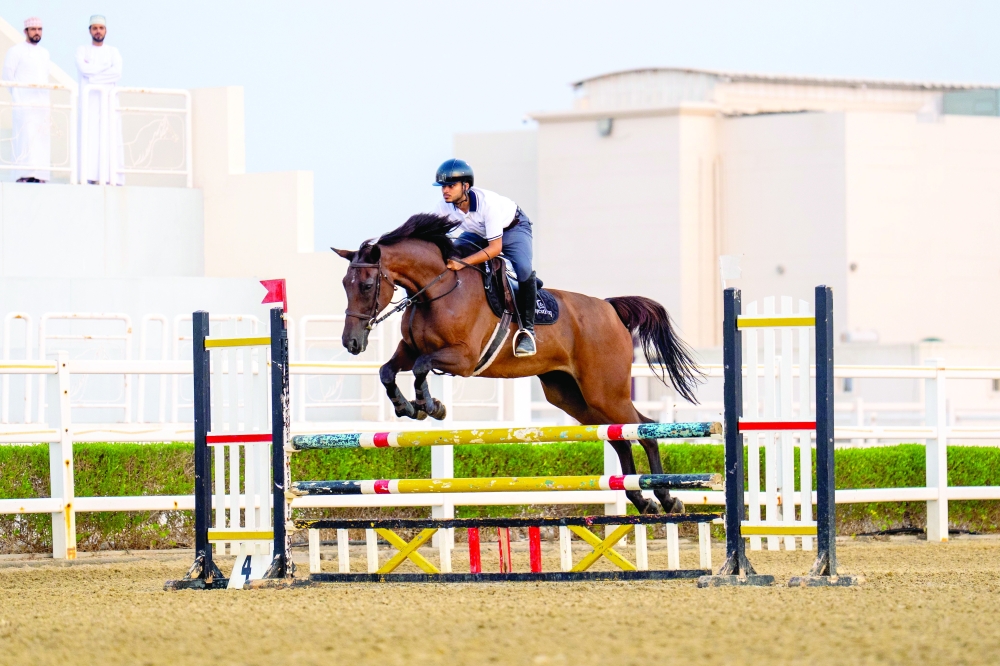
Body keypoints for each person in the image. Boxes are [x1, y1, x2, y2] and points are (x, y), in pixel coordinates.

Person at [432, 158, 538, 357]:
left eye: (450, 186)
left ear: (466, 186)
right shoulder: (442, 207)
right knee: (451, 254)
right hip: (478, 233)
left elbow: (495, 248)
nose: (445, 191)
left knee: (523, 268)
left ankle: (528, 331)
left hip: (513, 229)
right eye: (443, 187)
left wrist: (463, 263)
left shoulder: (486, 203)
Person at [75, 15, 123, 185]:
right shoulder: (82, 50)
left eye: (101, 28)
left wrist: (93, 78)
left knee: (110, 136)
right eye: (94, 28)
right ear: (90, 31)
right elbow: (83, 69)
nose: (98, 31)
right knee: (89, 137)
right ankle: (88, 176)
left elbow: (117, 72)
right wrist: (105, 70)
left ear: (106, 31)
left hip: (108, 102)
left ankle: (111, 177)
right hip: (89, 103)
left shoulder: (113, 51)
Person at [2, 17, 51, 183]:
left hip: (41, 104)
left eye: (39, 29)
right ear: (26, 31)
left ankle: (41, 175)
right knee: (25, 137)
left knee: (41, 138)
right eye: (33, 29)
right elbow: (8, 74)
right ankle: (24, 174)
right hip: (23, 103)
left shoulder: (44, 53)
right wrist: (17, 95)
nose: (37, 32)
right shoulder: (16, 51)